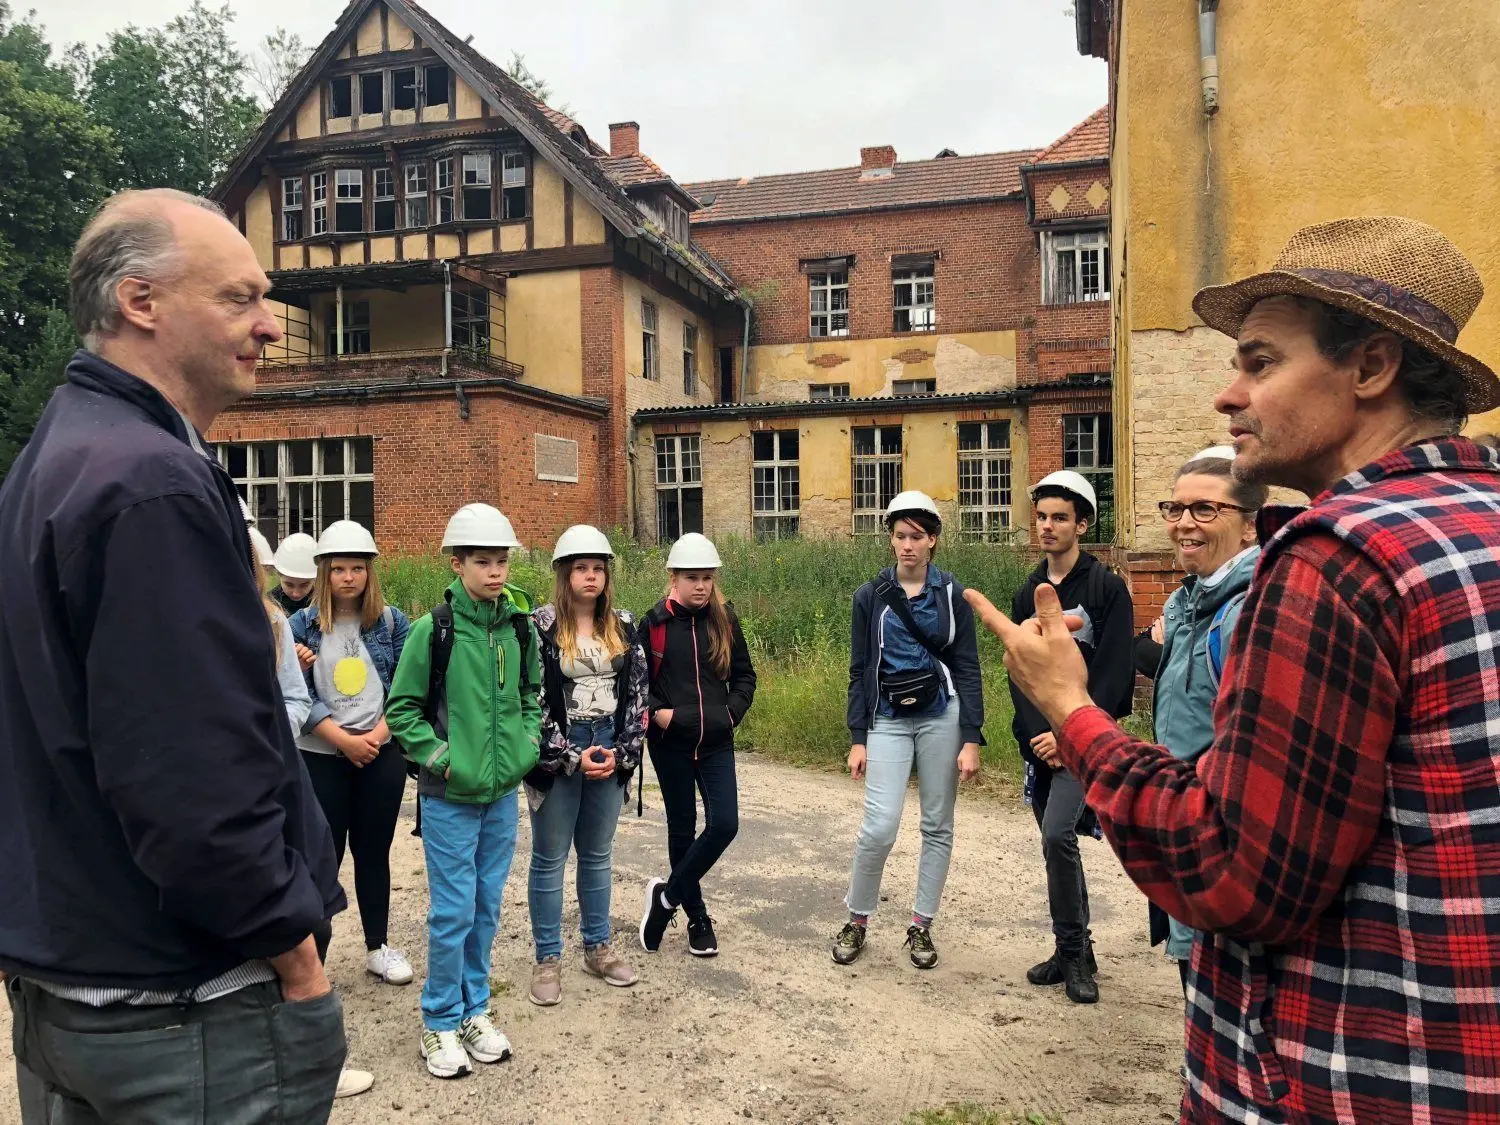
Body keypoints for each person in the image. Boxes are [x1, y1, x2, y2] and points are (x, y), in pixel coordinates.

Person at [965, 216, 1500, 1123]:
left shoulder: (1337, 560)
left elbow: (1232, 872)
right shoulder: (1472, 522)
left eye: (1259, 362)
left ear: (1371, 368)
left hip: (1337, 1073)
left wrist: (1069, 706)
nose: (1228, 394)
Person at [0, 188, 346, 1124]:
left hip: (75, 985)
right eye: (239, 299)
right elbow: (190, 776)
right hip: (184, 1010)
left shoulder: (53, 459)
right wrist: (294, 953)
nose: (272, 327)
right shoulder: (147, 482)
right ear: (139, 302)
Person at [386, 503, 541, 1079]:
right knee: (452, 910)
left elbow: (532, 696)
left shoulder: (519, 627)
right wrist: (441, 757)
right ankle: (438, 1021)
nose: (496, 572)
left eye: (501, 561)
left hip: (501, 796)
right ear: (458, 563)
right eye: (483, 561)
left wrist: (525, 746)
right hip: (449, 797)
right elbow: (402, 708)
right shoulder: (436, 629)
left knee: (486, 907)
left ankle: (474, 1011)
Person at [832, 491, 984, 969]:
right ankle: (858, 919)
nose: (907, 546)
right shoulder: (869, 596)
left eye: (916, 536)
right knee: (878, 826)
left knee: (937, 825)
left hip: (942, 716)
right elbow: (860, 670)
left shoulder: (952, 594)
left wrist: (972, 737)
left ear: (933, 540)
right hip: (887, 721)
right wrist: (858, 738)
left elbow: (967, 665)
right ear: (891, 540)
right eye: (899, 536)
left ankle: (921, 925)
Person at [1009, 470, 1134, 1005]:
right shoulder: (1026, 592)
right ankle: (1070, 949)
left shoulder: (1106, 589)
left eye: (1060, 517)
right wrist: (1040, 732)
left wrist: (1073, 736)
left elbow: (1115, 670)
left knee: (1058, 834)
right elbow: (1019, 669)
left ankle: (1077, 953)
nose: (1048, 526)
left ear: (1082, 523)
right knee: (1054, 843)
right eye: (1041, 517)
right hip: (1040, 743)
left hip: (1086, 739)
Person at [1145, 448, 1265, 993]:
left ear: (1249, 527)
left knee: (1226, 993)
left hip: (1229, 844)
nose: (1184, 523)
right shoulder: (1187, 602)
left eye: (1205, 510)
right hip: (1188, 828)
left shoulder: (1251, 610)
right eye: (1176, 508)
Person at [524, 525, 647, 1005]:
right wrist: (571, 755)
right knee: (550, 858)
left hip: (609, 747)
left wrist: (621, 753)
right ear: (564, 574)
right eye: (581, 568)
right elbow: (531, 701)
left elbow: (637, 695)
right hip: (560, 753)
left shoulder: (624, 625)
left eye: (598, 568)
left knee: (597, 856)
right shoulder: (539, 626)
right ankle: (547, 957)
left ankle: (598, 947)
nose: (591, 577)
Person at [289, 521, 413, 991]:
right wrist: (341, 740)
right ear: (323, 572)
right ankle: (314, 953)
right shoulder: (300, 625)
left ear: (369, 572)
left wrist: (376, 738)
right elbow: (294, 691)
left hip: (379, 753)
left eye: (356, 568)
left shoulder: (390, 622)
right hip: (321, 755)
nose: (347, 577)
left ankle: (377, 947)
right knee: (323, 854)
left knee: (373, 850)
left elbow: (405, 688)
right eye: (337, 568)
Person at [638, 533, 756, 958]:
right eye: (692, 578)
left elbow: (745, 677)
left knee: (725, 823)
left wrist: (730, 714)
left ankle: (666, 898)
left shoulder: (724, 619)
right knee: (682, 829)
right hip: (670, 744)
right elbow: (637, 686)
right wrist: (661, 713)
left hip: (716, 742)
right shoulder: (653, 624)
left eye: (707, 577)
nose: (701, 586)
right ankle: (697, 916)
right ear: (673, 577)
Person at [271, 531, 318, 614]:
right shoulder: (268, 604)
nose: (296, 594)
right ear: (279, 574)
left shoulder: (327, 603)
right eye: (289, 585)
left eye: (304, 585)